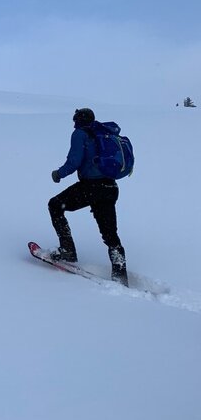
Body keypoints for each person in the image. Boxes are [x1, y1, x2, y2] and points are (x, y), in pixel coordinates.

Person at [49, 108, 128, 287]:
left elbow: (75, 160)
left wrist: (59, 174)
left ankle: (68, 250)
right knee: (110, 235)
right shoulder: (103, 133)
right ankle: (120, 275)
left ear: (78, 120)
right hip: (110, 187)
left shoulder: (80, 134)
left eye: (75, 119)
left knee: (55, 205)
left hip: (91, 187)